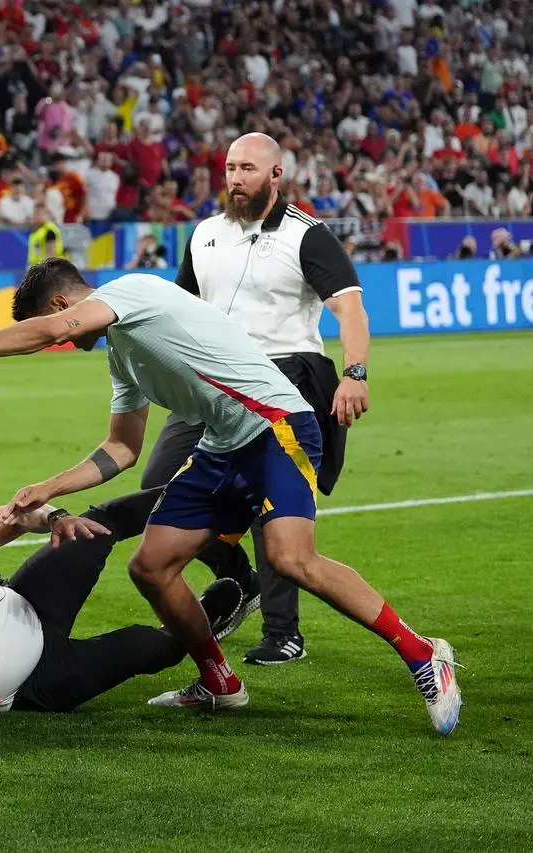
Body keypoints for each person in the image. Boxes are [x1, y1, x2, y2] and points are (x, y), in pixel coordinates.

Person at [0, 260, 461, 735]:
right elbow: (121, 449)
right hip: (223, 443)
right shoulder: (123, 355)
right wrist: (50, 487)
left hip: (274, 423)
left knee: (290, 557)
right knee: (151, 566)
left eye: (54, 327)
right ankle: (220, 682)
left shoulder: (133, 290)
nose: (62, 341)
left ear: (62, 306)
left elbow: (55, 331)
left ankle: (422, 653)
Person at [161, 132, 371, 665]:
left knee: (268, 510)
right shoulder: (205, 233)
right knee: (158, 487)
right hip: (211, 386)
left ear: (276, 175)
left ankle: (283, 632)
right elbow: (181, 309)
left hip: (282, 380)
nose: (236, 179)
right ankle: (239, 580)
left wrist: (355, 373)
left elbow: (349, 309)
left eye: (248, 169)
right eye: (230, 168)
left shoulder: (308, 236)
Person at [0, 496, 242, 724]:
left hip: (27, 604)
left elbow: (19, 514)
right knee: (147, 646)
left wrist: (56, 517)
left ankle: (208, 495)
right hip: (37, 683)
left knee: (90, 528)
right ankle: (204, 615)